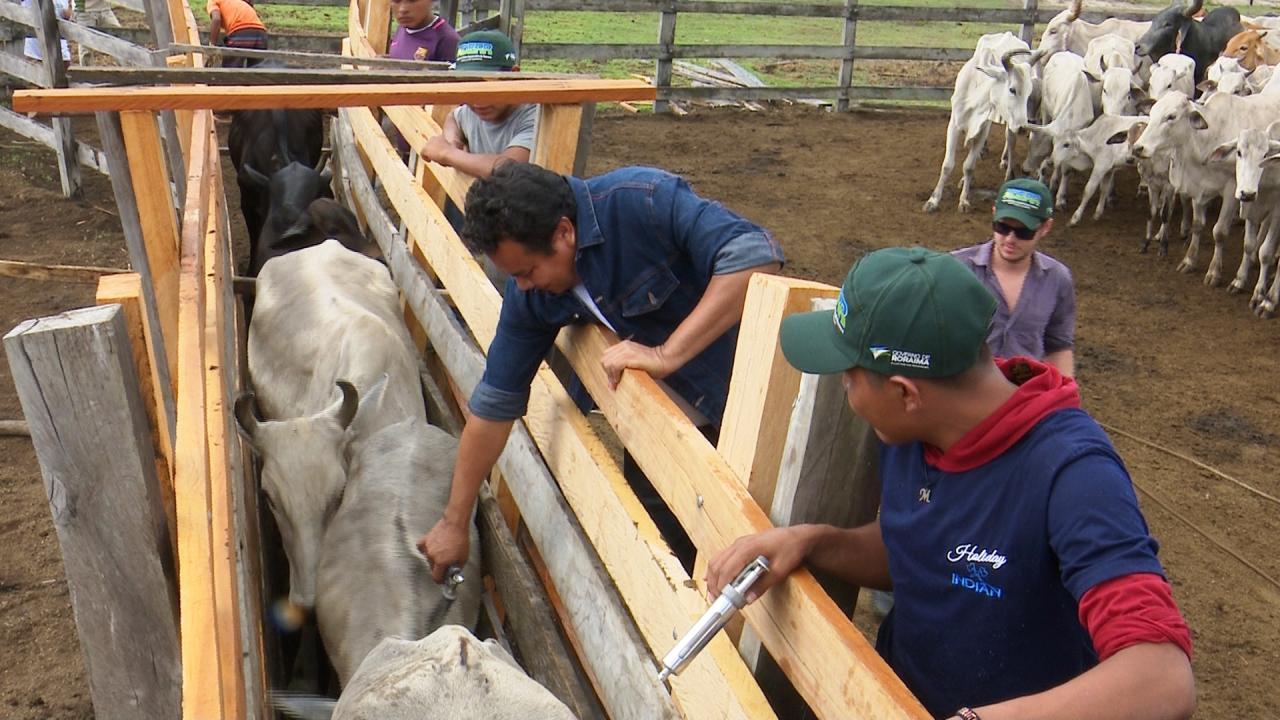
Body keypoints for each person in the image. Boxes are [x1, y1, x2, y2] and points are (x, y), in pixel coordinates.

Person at [706, 247, 1194, 720]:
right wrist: (812, 541)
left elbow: (1161, 677)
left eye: (849, 377)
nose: (842, 387)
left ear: (904, 392)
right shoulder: (909, 431)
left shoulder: (1074, 474)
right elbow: (926, 548)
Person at [417, 162, 784, 581]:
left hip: (758, 413)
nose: (521, 286)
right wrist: (453, 520)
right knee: (677, 557)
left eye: (527, 271)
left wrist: (667, 353)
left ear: (564, 233)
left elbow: (753, 254)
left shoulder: (641, 200)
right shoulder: (533, 294)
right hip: (665, 434)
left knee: (770, 558)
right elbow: (495, 404)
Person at [952, 178, 1076, 376]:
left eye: (1023, 232)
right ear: (993, 215)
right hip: (963, 394)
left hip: (1024, 397)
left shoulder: (1057, 278)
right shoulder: (955, 269)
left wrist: (1065, 398)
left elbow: (1059, 345)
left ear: (1045, 228)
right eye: (1002, 227)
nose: (1010, 239)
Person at [421, 30, 536, 179]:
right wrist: (453, 140)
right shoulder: (471, 112)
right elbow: (454, 117)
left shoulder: (534, 118)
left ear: (513, 76)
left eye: (488, 87)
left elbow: (507, 170)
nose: (477, 101)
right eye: (469, 86)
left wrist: (448, 153)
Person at [387, 0, 459, 63]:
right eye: (396, 1)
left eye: (412, 0)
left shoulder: (447, 40)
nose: (403, 9)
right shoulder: (402, 28)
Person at [208, 0, 268, 69]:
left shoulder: (213, 1)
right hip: (261, 33)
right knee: (257, 72)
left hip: (241, 33)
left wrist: (212, 45)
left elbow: (216, 19)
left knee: (230, 71)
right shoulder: (240, 2)